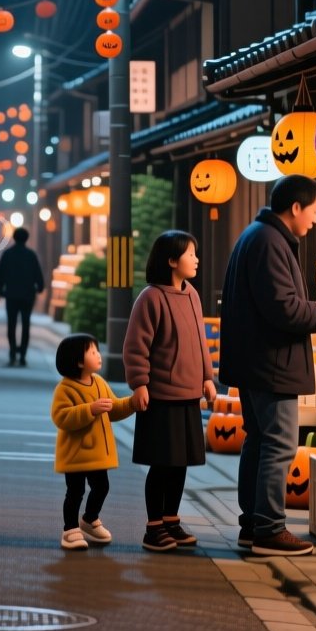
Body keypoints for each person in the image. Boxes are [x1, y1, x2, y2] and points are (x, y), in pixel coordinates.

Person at [220, 175, 316, 557]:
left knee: (260, 441)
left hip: (256, 361)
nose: (314, 219)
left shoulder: (259, 236)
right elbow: (283, 309)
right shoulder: (269, 241)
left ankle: (253, 524)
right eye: (313, 211)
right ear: (296, 207)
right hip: (271, 363)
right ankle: (270, 529)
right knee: (278, 445)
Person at [122, 229, 217, 552]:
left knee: (181, 462)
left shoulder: (191, 294)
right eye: (191, 254)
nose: (196, 259)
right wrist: (140, 383)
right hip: (161, 396)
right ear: (172, 260)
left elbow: (200, 342)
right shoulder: (151, 297)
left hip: (189, 395)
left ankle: (171, 520)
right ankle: (153, 527)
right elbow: (136, 346)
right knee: (161, 463)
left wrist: (207, 378)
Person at [51, 333, 134, 551]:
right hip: (76, 454)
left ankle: (89, 520)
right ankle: (70, 529)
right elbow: (61, 417)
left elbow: (113, 409)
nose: (99, 355)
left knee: (102, 487)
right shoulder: (65, 388)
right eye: (93, 352)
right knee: (75, 491)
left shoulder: (99, 382)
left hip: (97, 455)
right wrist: (90, 409)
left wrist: (132, 403)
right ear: (79, 361)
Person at [0, 228, 45, 366]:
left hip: (12, 294)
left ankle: (12, 352)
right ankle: (23, 355)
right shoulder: (31, 255)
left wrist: (0, 290)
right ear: (26, 239)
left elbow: (0, 274)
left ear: (14, 238)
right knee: (26, 324)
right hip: (28, 295)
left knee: (12, 324)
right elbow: (38, 275)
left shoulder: (8, 254)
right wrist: (39, 287)